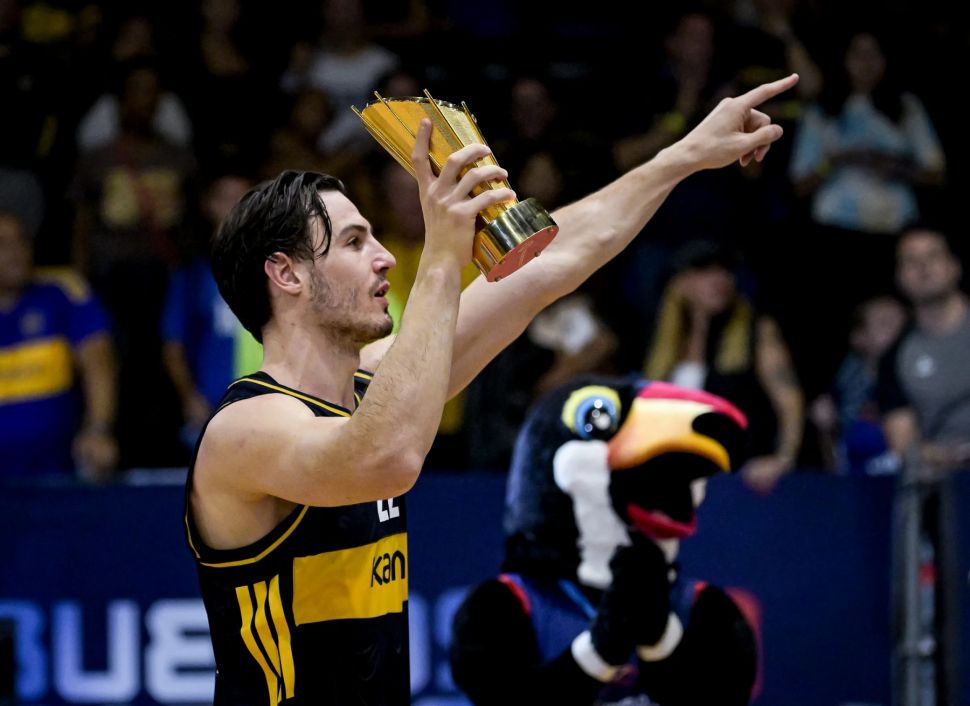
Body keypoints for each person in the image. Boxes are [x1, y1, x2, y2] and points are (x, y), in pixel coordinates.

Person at [184, 73, 799, 704]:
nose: (384, 257)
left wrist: (684, 156)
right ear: (285, 274)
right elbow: (386, 458)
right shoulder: (245, 428)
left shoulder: (378, 387)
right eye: (353, 241)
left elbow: (549, 263)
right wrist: (443, 258)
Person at [450, 376, 756, 705]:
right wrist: (597, 653)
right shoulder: (506, 605)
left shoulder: (702, 608)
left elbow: (726, 694)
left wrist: (661, 638)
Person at [643, 241, 804, 493]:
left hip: (740, 482)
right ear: (680, 282)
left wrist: (783, 458)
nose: (718, 279)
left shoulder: (756, 331)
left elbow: (790, 403)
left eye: (723, 270)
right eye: (704, 271)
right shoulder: (665, 344)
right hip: (678, 484)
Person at [0, 210, 117, 480]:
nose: (16, 251)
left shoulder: (61, 291)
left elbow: (98, 360)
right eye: (3, 244)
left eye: (21, 240)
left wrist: (98, 430)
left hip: (59, 470)